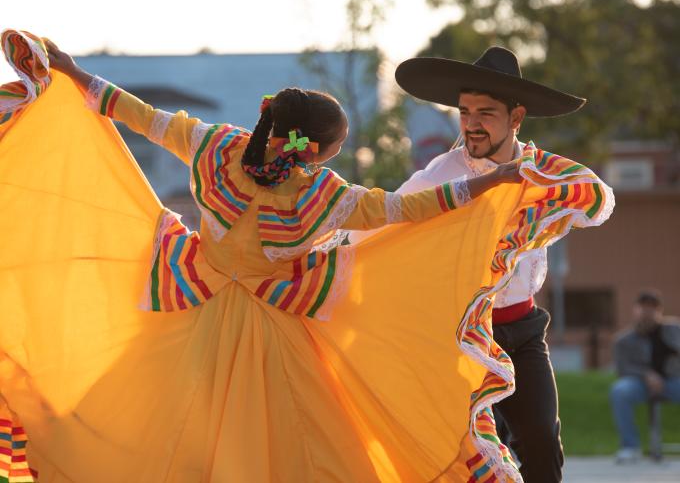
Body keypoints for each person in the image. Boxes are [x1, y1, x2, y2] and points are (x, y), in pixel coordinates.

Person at [0, 31, 612, 482]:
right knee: (302, 443)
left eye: (486, 113)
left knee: (173, 426)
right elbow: (397, 215)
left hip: (198, 317)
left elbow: (142, 117)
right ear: (316, 153)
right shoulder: (323, 193)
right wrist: (486, 185)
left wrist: (76, 73)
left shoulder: (217, 148)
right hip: (279, 329)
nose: (473, 122)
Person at [354, 46, 604, 483]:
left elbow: (590, 196)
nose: (471, 123)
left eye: (486, 113)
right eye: (465, 111)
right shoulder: (438, 177)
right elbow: (383, 223)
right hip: (461, 337)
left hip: (523, 331)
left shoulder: (540, 174)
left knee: (543, 442)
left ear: (516, 118)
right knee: (472, 454)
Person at [610, 290, 680, 463]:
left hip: (674, 382)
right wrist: (646, 375)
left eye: (652, 308)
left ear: (660, 310)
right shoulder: (623, 340)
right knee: (620, 391)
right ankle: (630, 447)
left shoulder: (675, 330)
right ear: (636, 310)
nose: (648, 312)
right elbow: (622, 369)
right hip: (640, 384)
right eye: (644, 308)